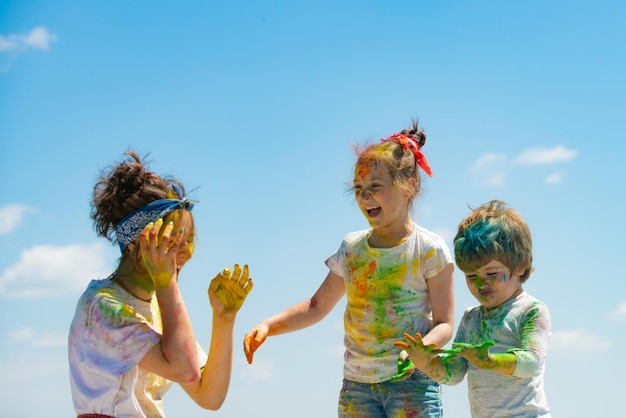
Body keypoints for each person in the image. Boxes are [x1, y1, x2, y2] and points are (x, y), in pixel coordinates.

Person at [244, 120, 455, 417]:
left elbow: (445, 323)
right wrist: (268, 326)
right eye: (358, 188)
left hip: (412, 384)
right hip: (357, 385)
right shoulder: (352, 248)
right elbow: (316, 306)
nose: (365, 195)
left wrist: (421, 349)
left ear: (410, 186)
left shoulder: (429, 250)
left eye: (375, 187)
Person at [68, 151, 253, 418]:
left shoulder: (157, 306)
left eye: (188, 238)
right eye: (172, 239)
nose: (185, 251)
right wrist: (167, 282)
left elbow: (209, 396)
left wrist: (223, 319)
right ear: (136, 240)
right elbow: (185, 369)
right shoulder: (101, 307)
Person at [395, 199, 551, 418]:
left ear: (520, 266)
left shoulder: (531, 311)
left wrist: (491, 361)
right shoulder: (471, 318)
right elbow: (455, 373)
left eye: (492, 274)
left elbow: (530, 363)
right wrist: (426, 363)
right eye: (471, 276)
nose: (480, 284)